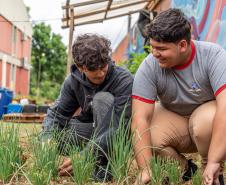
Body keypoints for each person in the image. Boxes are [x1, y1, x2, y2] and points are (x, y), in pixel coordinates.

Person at [132, 8, 226, 185]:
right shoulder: (150, 66)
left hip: (207, 124)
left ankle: (212, 171)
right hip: (176, 122)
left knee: (206, 121)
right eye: (152, 47)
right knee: (147, 130)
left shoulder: (213, 55)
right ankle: (184, 169)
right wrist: (145, 169)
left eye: (161, 49)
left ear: (182, 45)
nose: (154, 53)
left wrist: (214, 161)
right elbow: (139, 119)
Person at [40, 34, 133, 182]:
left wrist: (87, 154)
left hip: (114, 134)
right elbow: (56, 115)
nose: (102, 73)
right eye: (95, 73)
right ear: (81, 68)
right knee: (58, 132)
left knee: (102, 99)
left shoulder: (124, 80)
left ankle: (104, 168)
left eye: (104, 67)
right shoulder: (72, 82)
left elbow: (121, 127)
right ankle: (85, 155)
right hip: (91, 132)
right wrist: (47, 140)